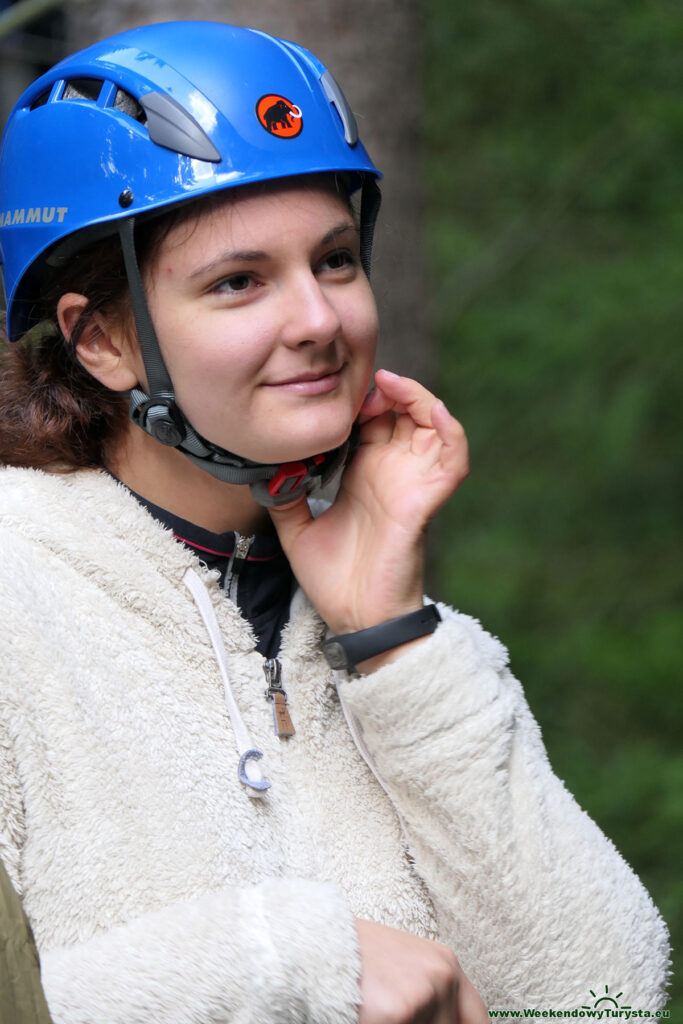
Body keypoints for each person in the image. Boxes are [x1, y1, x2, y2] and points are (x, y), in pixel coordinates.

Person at [0, 20, 670, 1024]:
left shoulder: (399, 640)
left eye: (336, 260)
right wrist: (290, 957)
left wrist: (391, 638)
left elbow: (602, 1004)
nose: (318, 319)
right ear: (100, 337)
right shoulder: (19, 593)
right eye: (239, 281)